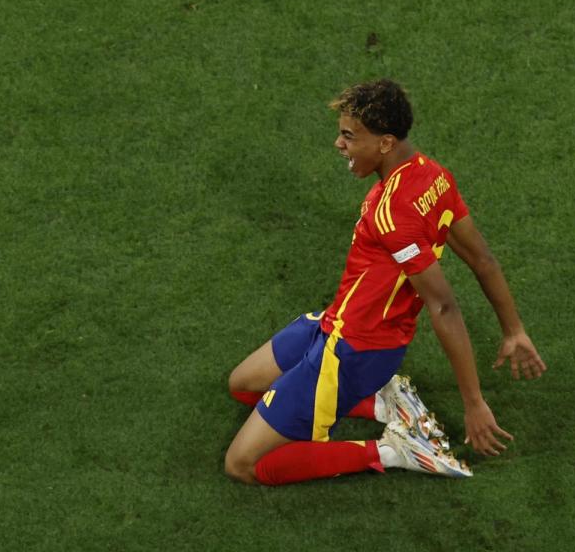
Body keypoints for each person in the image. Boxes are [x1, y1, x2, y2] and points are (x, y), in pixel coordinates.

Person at [224, 79, 545, 485]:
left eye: (349, 136)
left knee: (242, 464)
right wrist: (513, 330)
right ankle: (384, 403)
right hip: (338, 324)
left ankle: (397, 449)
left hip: (353, 351)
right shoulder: (434, 176)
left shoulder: (391, 212)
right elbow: (483, 259)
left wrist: (474, 403)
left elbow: (443, 305)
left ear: (385, 143)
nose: (339, 145)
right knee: (243, 387)